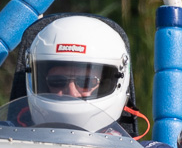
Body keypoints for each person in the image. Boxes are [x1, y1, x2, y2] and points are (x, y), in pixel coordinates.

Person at [9, 13, 145, 137]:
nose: (72, 92)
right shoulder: (6, 139)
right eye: (57, 81)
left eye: (86, 82)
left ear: (110, 82)